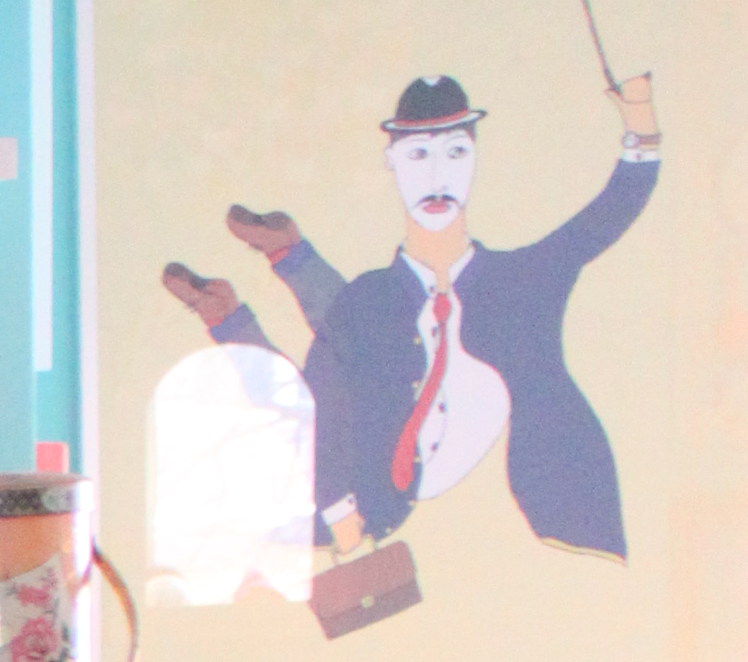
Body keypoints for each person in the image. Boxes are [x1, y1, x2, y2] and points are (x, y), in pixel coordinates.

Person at [162, 66, 658, 559]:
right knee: (334, 365)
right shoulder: (367, 301)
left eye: (455, 153)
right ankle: (249, 291)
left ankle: (266, 276)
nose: (437, 177)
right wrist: (343, 520)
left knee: (354, 337)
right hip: (372, 482)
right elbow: (323, 413)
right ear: (392, 162)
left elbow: (604, 218)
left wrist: (640, 116)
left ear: (475, 159)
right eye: (418, 155)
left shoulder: (521, 283)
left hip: (516, 504)